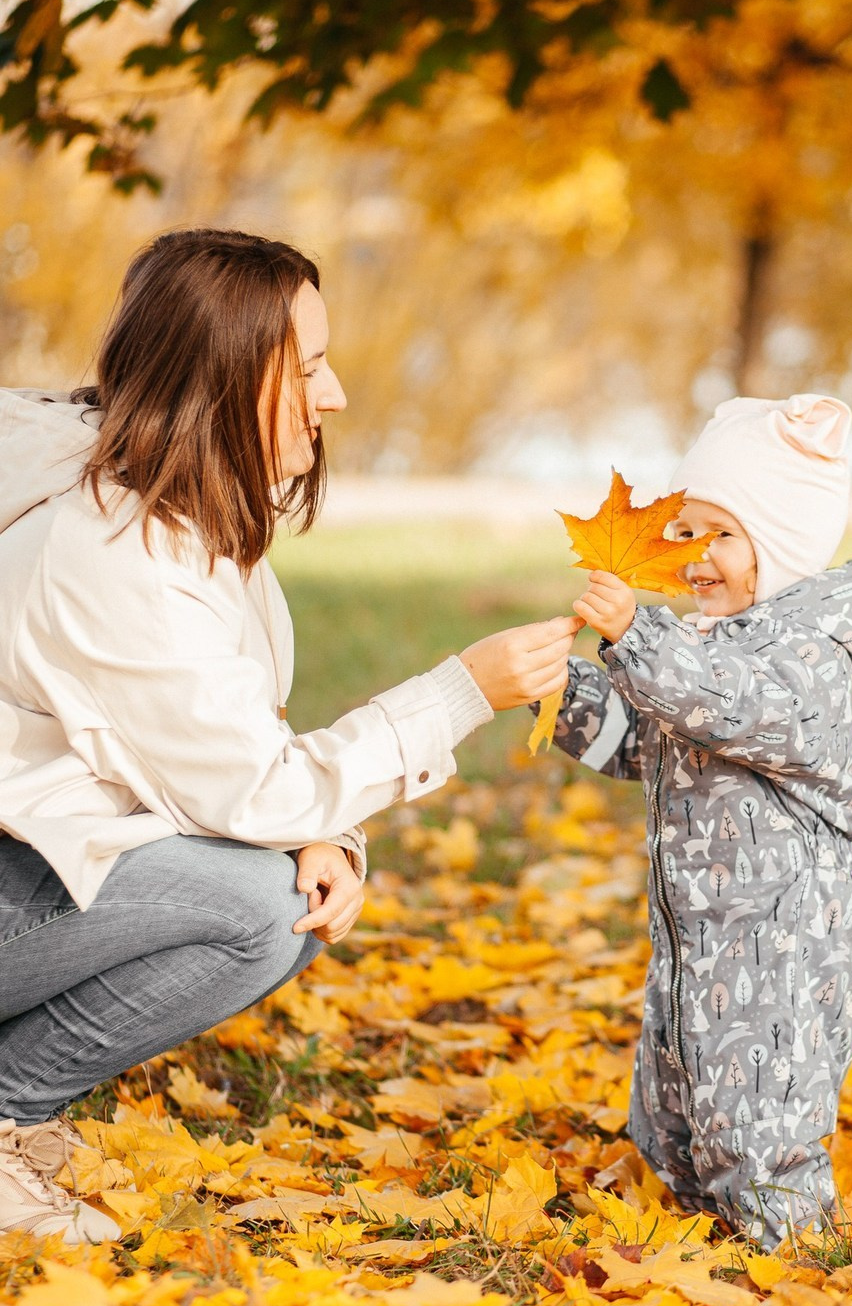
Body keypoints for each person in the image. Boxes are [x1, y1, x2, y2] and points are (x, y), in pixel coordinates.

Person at [0, 228, 576, 1243]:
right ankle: (9, 1110)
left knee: (283, 897)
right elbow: (249, 793)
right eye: (307, 366)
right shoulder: (110, 549)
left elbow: (220, 741)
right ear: (222, 375)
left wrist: (327, 833)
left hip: (40, 853)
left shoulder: (178, 514)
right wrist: (459, 692)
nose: (336, 393)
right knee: (253, 906)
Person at [550, 394, 852, 1245]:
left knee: (761, 1108)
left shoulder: (809, 661)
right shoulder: (703, 647)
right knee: (676, 1095)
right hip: (698, 933)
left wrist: (635, 639)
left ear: (780, 549)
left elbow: (725, 706)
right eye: (684, 531)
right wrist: (561, 693)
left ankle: (790, 1242)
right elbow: (646, 745)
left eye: (724, 535)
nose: (696, 557)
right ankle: (687, 1209)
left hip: (785, 943)